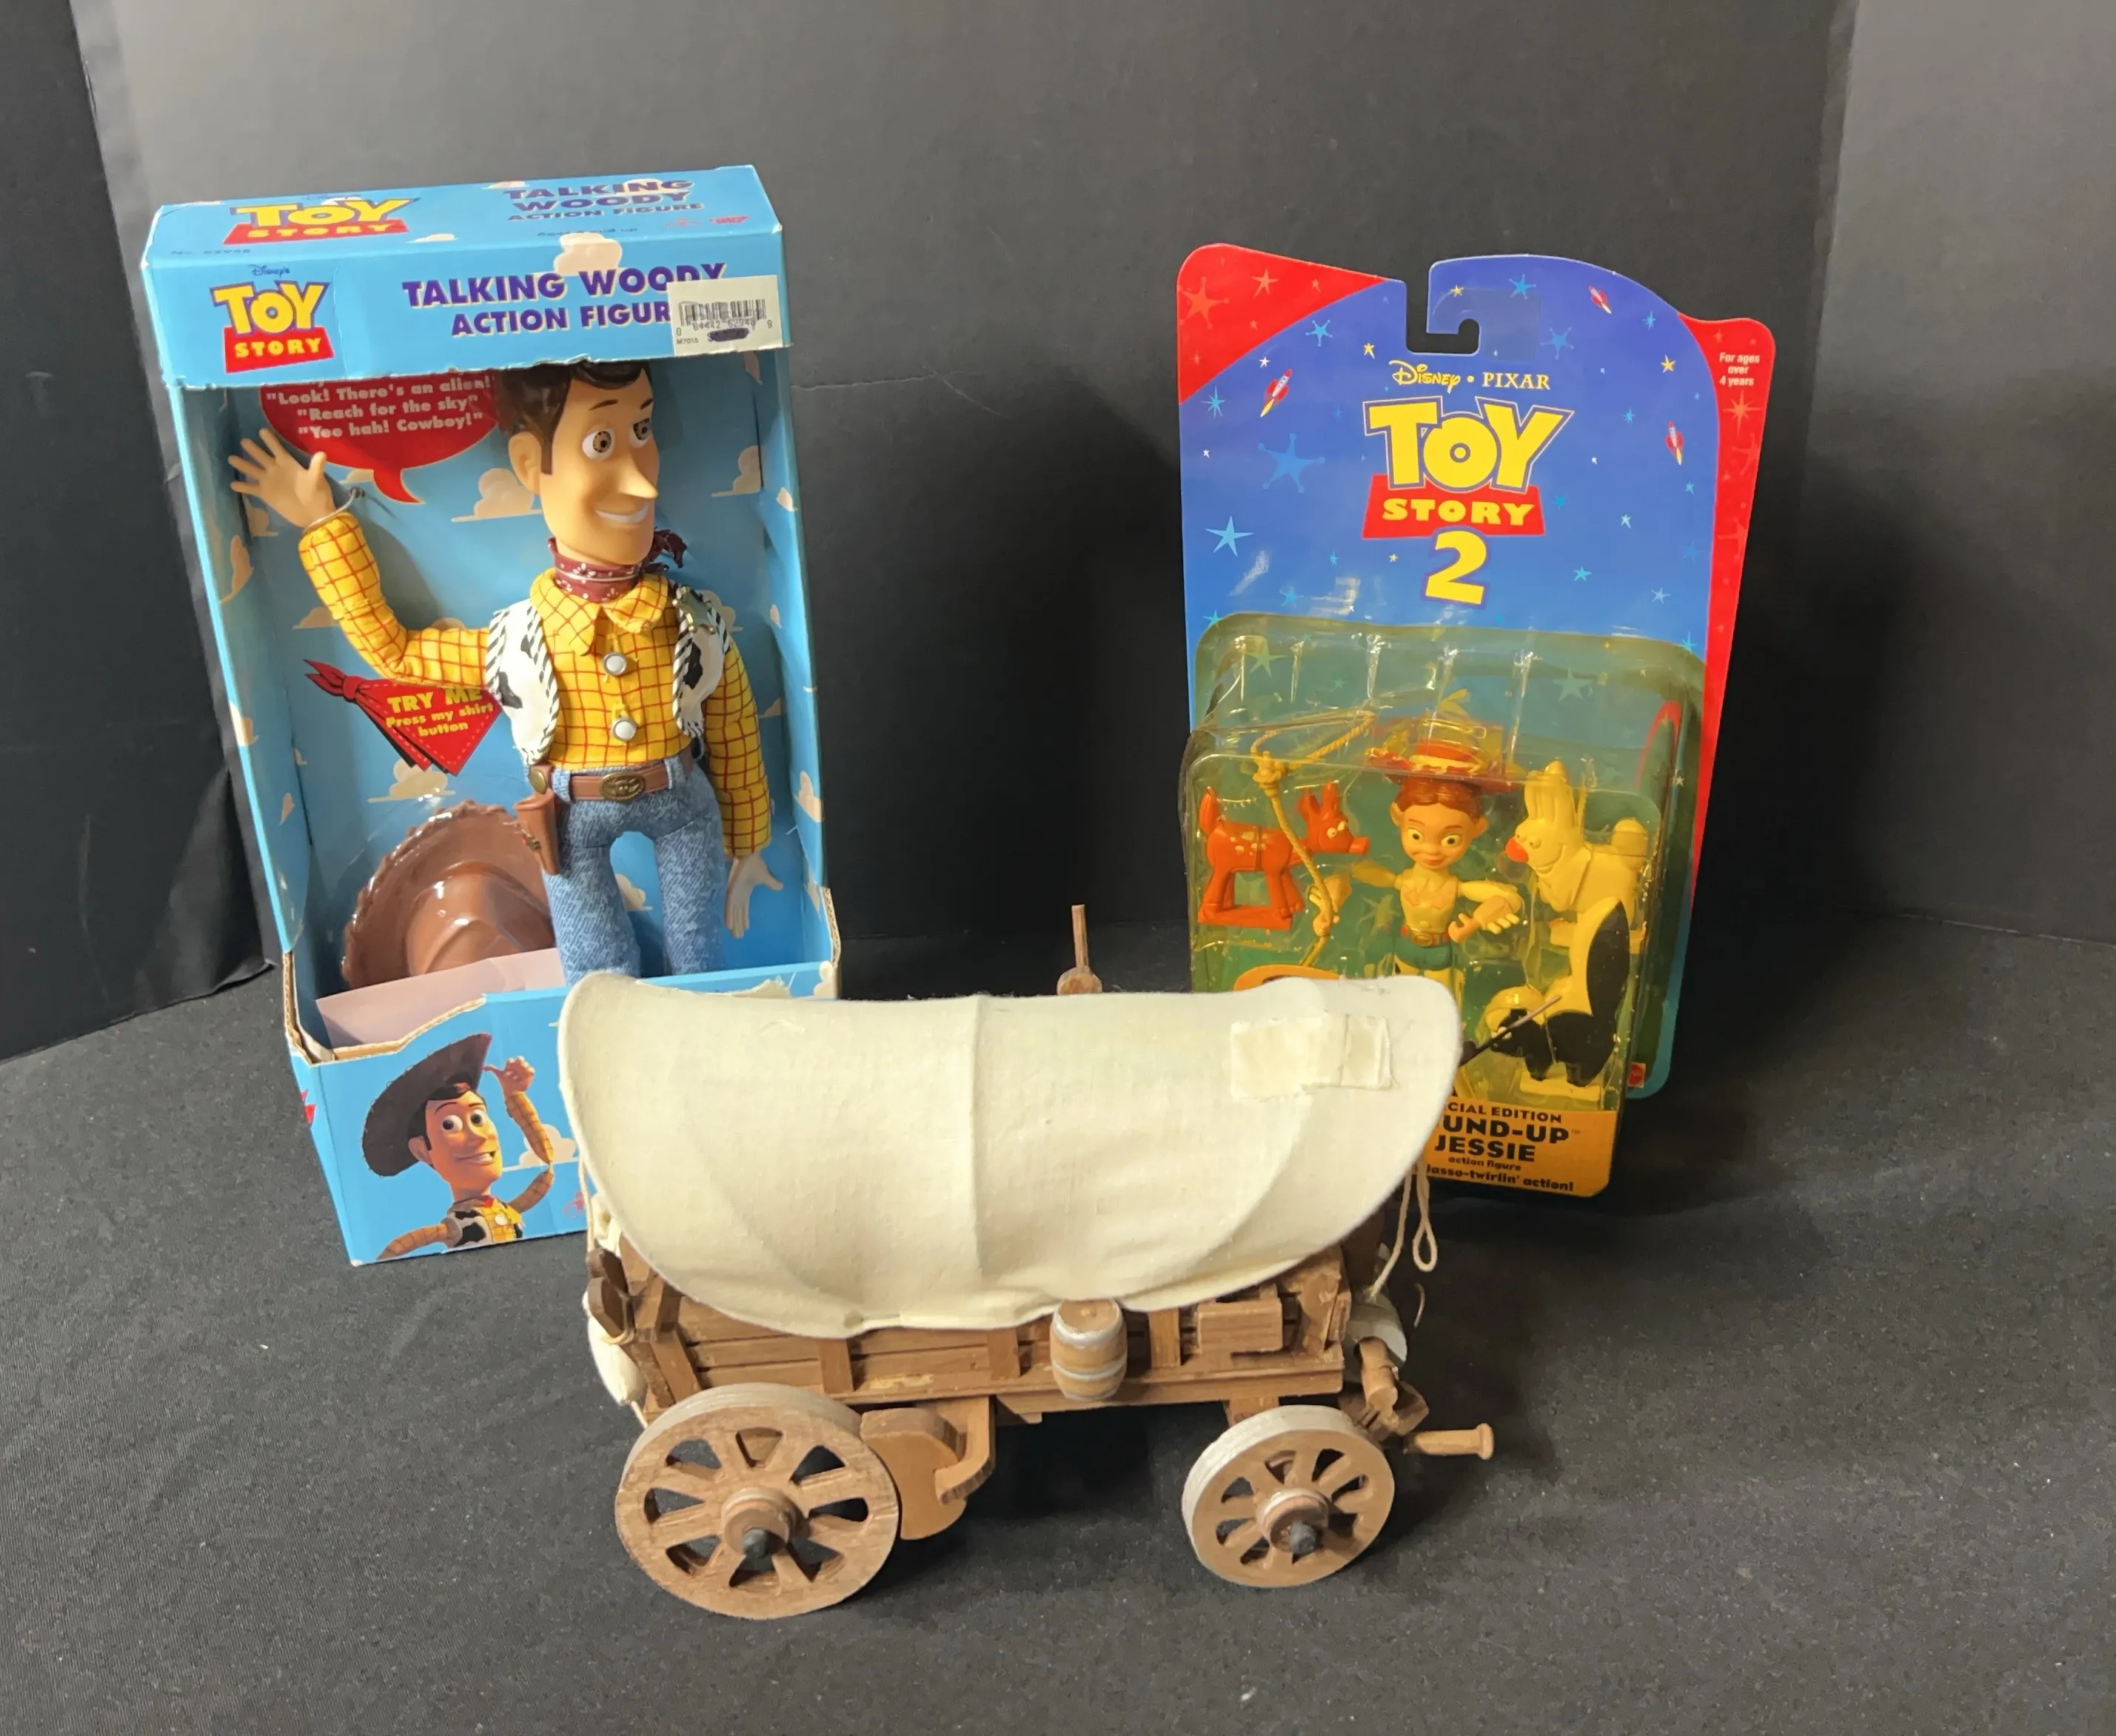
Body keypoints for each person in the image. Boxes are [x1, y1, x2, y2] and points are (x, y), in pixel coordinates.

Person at [230, 361, 779, 980]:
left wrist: (748, 844)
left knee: (699, 956)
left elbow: (734, 730)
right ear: (527, 465)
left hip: (682, 803)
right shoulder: (520, 641)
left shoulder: (690, 623)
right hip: (569, 817)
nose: (641, 484)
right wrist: (323, 527)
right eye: (601, 442)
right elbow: (395, 653)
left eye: (643, 431)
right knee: (596, 970)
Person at [362, 1034, 558, 1261]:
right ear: (422, 1150)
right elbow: (399, 1247)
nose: (477, 1136)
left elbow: (548, 1169)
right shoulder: (453, 1228)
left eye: (478, 1118)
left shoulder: (509, 1210)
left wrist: (515, 1096)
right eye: (449, 1125)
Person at [1345, 774, 1522, 986]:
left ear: (1477, 828)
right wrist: (1343, 874)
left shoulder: (1456, 887)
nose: (1431, 850)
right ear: (1397, 817)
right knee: (1397, 991)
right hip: (1405, 946)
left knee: (1443, 995)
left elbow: (1509, 898)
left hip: (1440, 952)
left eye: (1451, 840)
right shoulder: (1403, 880)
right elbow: (1358, 871)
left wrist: (1477, 921)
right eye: (1416, 836)